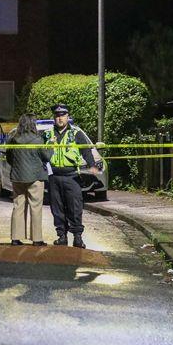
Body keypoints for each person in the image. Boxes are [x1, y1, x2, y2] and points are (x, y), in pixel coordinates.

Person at [44, 103, 98, 248]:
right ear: (54, 118)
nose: (60, 118)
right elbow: (40, 153)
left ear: (68, 117)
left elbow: (86, 151)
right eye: (57, 116)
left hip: (72, 175)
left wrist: (92, 165)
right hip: (53, 176)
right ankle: (61, 236)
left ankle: (77, 237)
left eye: (62, 115)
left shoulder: (76, 133)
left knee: (75, 207)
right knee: (57, 208)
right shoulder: (47, 134)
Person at [6, 114, 52, 246]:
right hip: (35, 177)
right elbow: (47, 156)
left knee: (18, 206)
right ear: (33, 124)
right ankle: (37, 239)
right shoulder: (38, 139)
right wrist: (51, 146)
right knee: (36, 207)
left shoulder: (13, 138)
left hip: (17, 177)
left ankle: (15, 237)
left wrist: (17, 167)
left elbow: (9, 157)